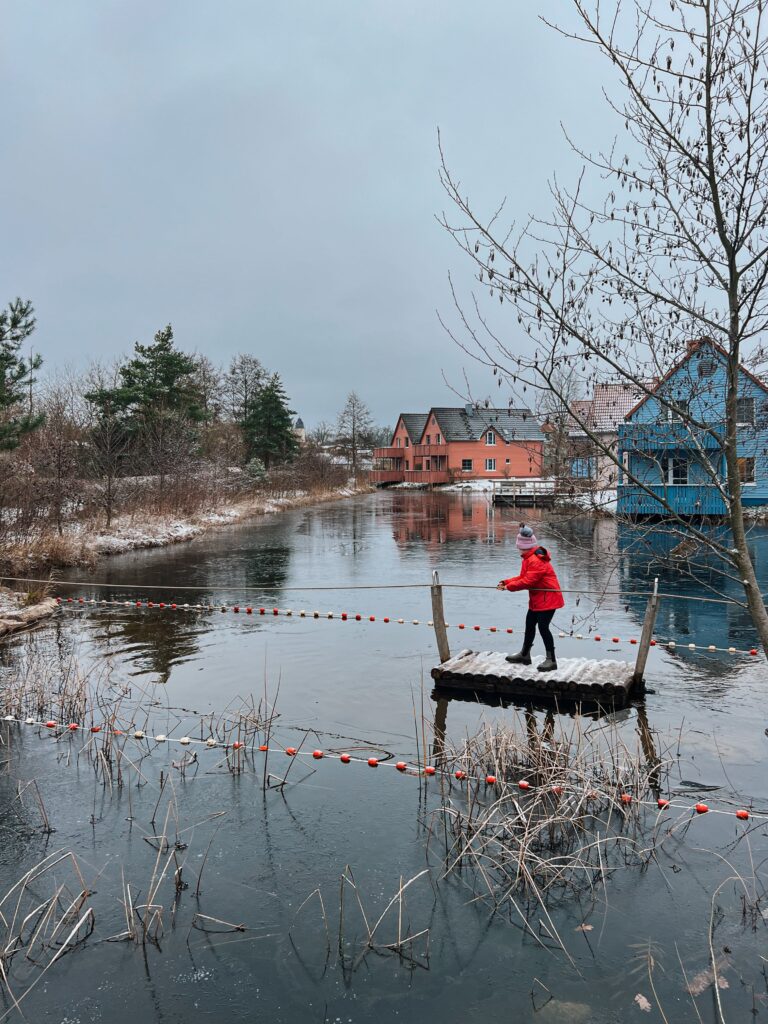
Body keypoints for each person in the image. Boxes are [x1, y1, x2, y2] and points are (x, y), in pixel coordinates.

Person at [496, 524, 565, 672]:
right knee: (529, 624)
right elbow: (523, 577)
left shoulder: (536, 560)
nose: (517, 548)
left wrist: (509, 587)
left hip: (548, 598)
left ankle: (551, 660)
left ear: (523, 546)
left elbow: (528, 581)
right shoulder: (529, 558)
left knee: (543, 627)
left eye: (518, 546)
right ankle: (525, 655)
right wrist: (507, 582)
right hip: (538, 598)